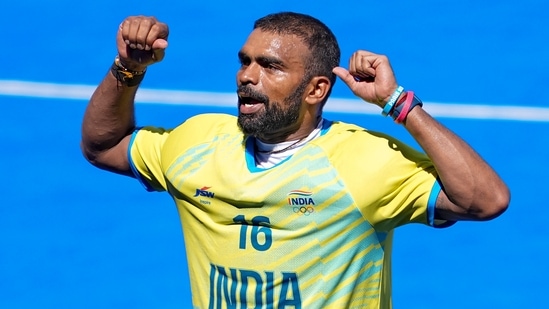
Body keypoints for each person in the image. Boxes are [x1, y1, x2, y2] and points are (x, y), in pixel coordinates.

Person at [81, 12, 510, 309]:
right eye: (245, 61)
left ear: (316, 89)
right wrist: (127, 68)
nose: (247, 77)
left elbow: (484, 200)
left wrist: (398, 104)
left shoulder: (365, 162)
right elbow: (103, 145)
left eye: (270, 66)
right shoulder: (197, 142)